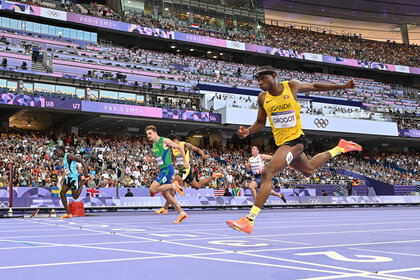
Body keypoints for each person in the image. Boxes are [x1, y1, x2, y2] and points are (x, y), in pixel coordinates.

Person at [226, 65, 362, 234]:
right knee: (309, 170)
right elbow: (261, 122)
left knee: (268, 173)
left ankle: (249, 220)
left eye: (263, 78)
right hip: (283, 143)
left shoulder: (291, 86)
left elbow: (315, 86)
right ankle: (340, 148)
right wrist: (247, 131)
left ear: (274, 76)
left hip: (296, 140)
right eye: (258, 80)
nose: (260, 82)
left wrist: (343, 86)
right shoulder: (262, 98)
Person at [155, 133, 223, 214]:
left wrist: (203, 155)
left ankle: (165, 208)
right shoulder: (173, 148)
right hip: (182, 171)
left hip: (185, 170)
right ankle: (213, 176)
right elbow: (172, 159)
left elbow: (197, 149)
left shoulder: (184, 144)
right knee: (197, 186)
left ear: (173, 140)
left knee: (172, 186)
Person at [144, 125, 189, 223]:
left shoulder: (165, 141)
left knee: (152, 189)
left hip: (167, 170)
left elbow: (180, 147)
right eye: (147, 134)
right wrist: (150, 159)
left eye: (150, 133)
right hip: (163, 170)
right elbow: (159, 159)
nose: (148, 135)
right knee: (166, 194)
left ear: (155, 133)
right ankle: (182, 214)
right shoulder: (154, 145)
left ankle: (174, 185)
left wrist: (185, 161)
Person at [54, 146, 89, 219]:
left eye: (57, 152)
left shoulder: (68, 155)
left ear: (61, 150)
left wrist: (86, 171)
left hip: (73, 177)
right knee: (62, 193)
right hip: (68, 177)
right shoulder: (63, 158)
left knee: (75, 197)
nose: (57, 154)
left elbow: (81, 160)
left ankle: (82, 181)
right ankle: (68, 213)